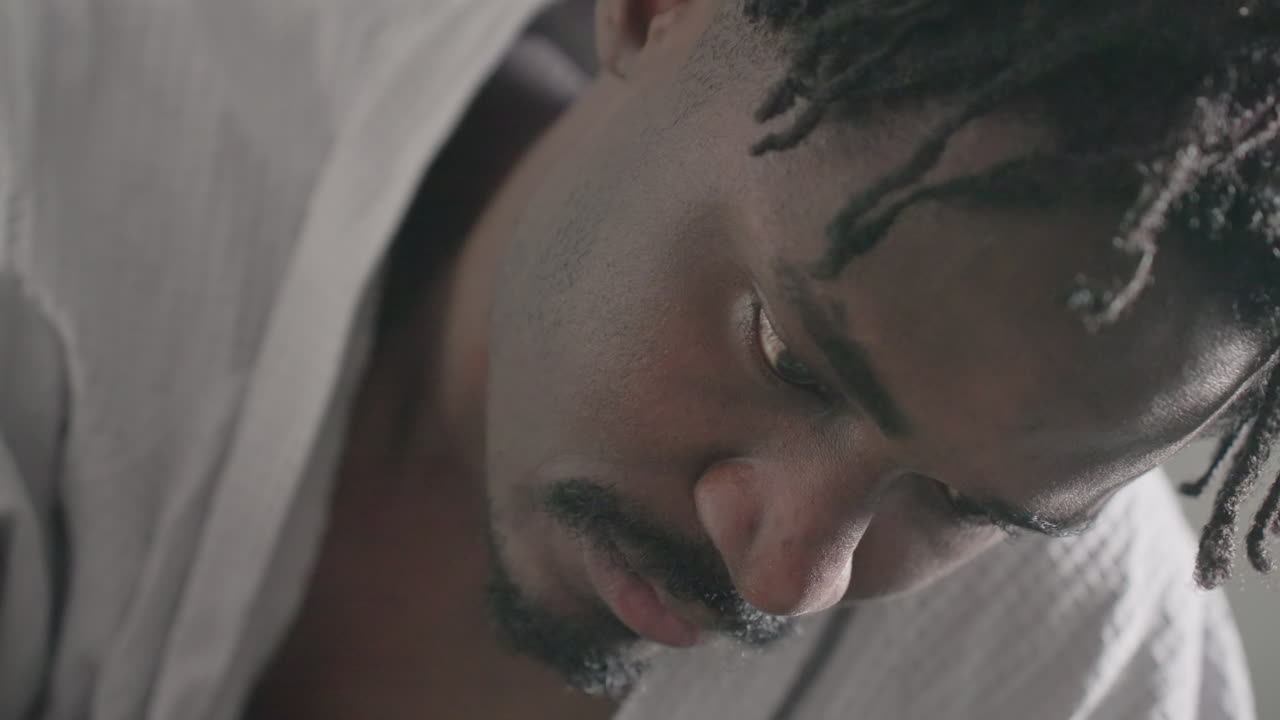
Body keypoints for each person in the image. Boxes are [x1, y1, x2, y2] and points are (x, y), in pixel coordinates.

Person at [0, 0, 1273, 717]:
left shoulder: (1077, 678)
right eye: (787, 351)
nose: (787, 572)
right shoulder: (52, 141)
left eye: (966, 506)